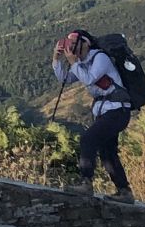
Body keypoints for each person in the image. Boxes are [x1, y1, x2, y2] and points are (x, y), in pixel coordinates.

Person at [52, 29, 135, 204]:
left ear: (85, 43)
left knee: (88, 140)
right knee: (107, 152)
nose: (72, 47)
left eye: (74, 43)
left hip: (117, 110)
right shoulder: (83, 61)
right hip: (107, 111)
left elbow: (89, 78)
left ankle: (86, 183)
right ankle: (124, 191)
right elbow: (65, 79)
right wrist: (56, 60)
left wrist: (74, 62)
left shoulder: (100, 58)